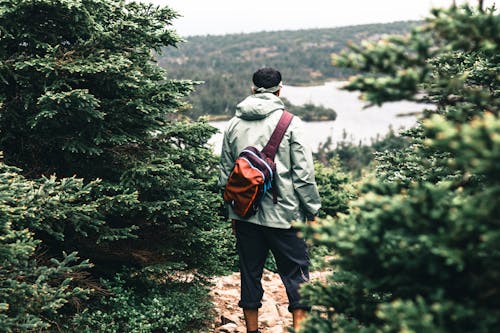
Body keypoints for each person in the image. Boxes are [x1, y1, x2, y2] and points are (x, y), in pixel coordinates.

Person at [219, 67, 321, 332]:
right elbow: (304, 175)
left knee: (249, 273)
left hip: (244, 214)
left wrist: (233, 211)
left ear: (252, 89)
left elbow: (226, 175)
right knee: (296, 275)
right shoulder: (291, 123)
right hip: (285, 217)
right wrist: (313, 212)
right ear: (279, 90)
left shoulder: (232, 124)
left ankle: (252, 330)